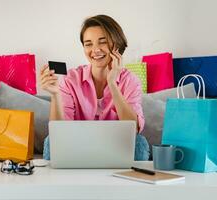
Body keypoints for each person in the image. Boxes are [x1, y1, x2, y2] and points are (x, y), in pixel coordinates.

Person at [40, 14, 149, 160]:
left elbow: (133, 129)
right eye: (88, 44)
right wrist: (55, 95)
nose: (95, 50)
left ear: (116, 45)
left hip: (115, 145)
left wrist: (112, 84)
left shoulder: (130, 81)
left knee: (139, 143)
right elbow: (58, 134)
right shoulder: (71, 80)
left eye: (102, 42)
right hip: (78, 146)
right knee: (50, 142)